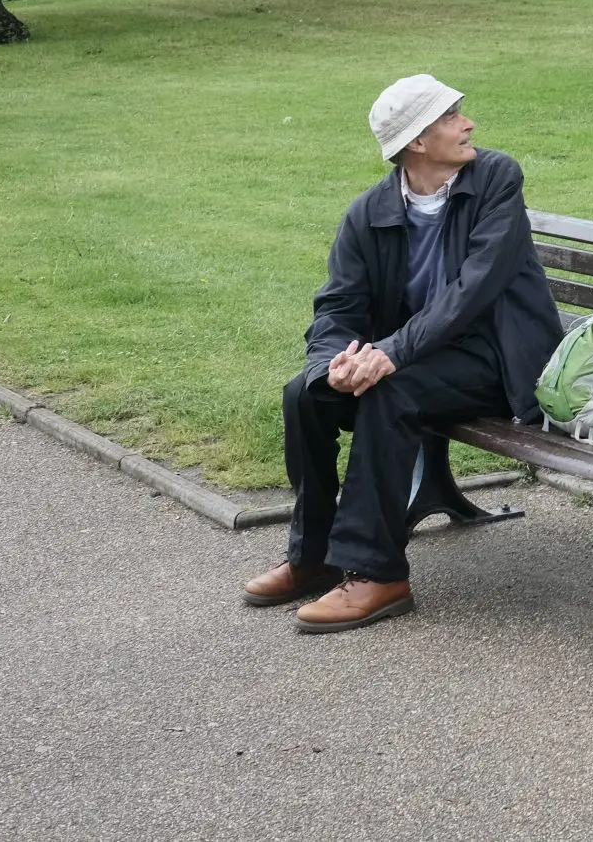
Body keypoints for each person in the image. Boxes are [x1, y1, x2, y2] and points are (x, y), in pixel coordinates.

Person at [242, 76, 564, 629]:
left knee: (392, 392)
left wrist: (390, 354)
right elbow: (337, 307)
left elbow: (474, 289)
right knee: (305, 394)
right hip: (418, 358)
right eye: (451, 117)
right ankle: (313, 556)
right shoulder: (367, 214)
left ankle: (378, 574)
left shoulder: (495, 179)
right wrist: (333, 367)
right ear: (416, 142)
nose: (469, 125)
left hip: (499, 359)